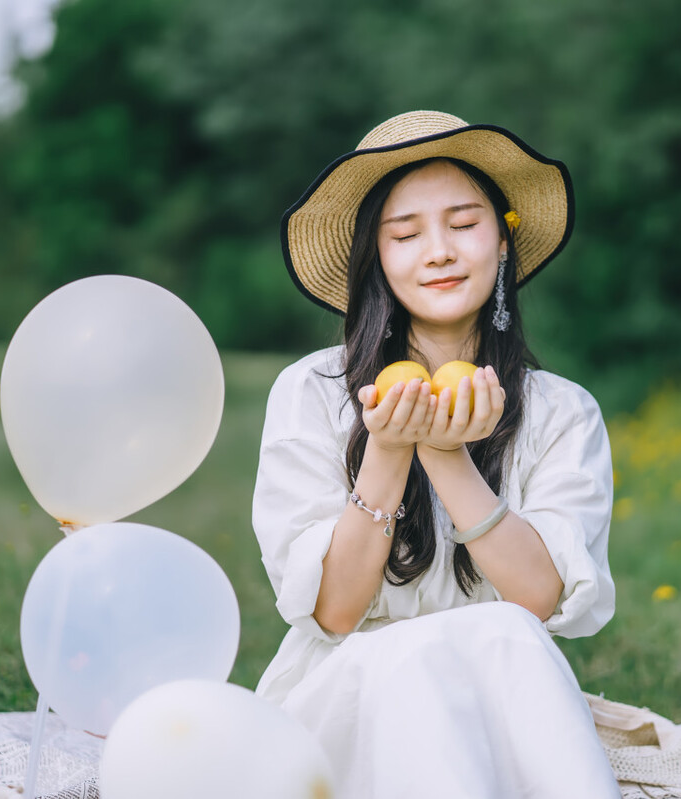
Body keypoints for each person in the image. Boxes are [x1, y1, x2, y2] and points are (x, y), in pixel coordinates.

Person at [252, 110, 622, 798]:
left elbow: (538, 600)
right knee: (421, 658)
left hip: (499, 693)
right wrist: (389, 450)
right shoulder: (312, 392)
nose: (439, 250)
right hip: (348, 697)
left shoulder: (563, 411)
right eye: (406, 233)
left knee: (507, 631)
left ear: (504, 242)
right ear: (376, 258)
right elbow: (334, 612)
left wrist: (447, 458)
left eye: (464, 223)